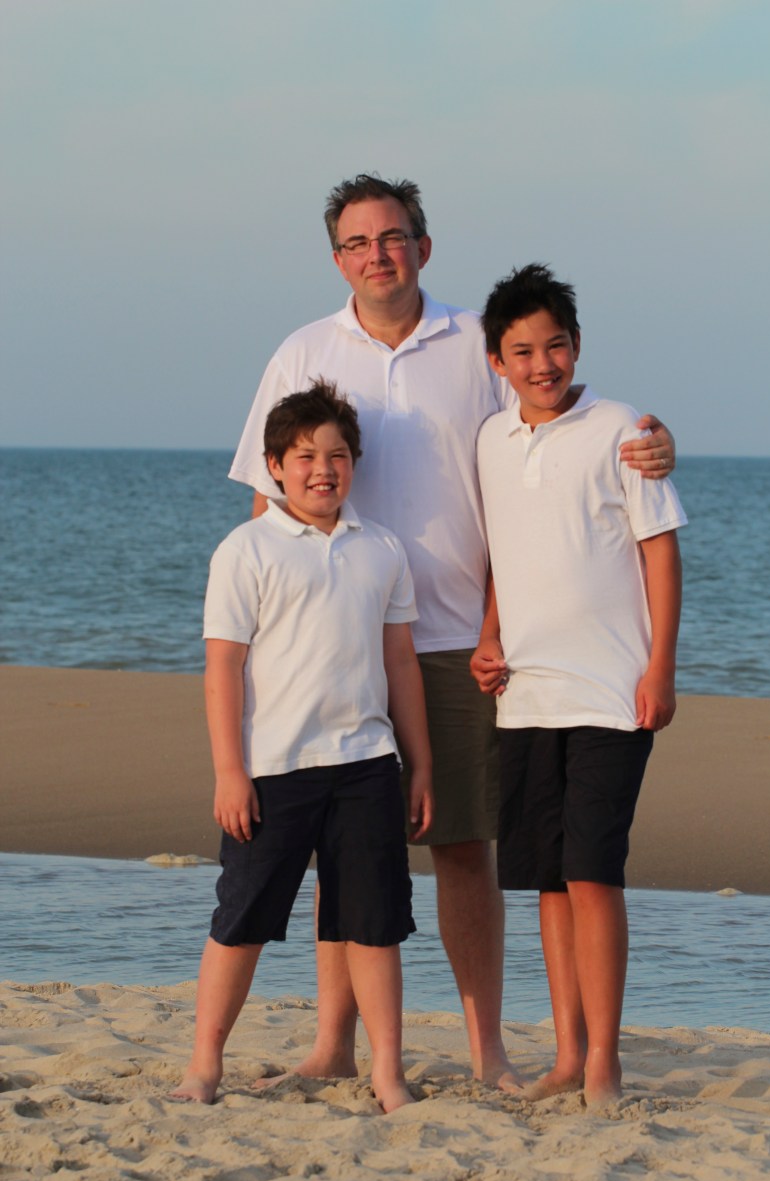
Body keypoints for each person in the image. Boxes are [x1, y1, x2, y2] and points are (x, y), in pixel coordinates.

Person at [229, 174, 677, 1092]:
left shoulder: (475, 344)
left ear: (422, 247)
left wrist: (650, 442)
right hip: (338, 642)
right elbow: (267, 498)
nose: (378, 255)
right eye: (358, 243)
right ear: (337, 260)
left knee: (466, 845)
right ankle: (333, 1046)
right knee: (343, 851)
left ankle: (488, 1052)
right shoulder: (303, 351)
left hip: (458, 639)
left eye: (393, 237)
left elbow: (550, 425)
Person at [173, 381, 433, 1111]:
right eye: (305, 456)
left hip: (367, 767)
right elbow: (223, 667)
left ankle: (387, 1073)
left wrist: (420, 766)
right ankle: (204, 1067)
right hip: (273, 770)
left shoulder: (381, 548)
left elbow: (401, 663)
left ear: (355, 463)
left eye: (338, 455)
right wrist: (230, 771)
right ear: (275, 467)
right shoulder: (246, 549)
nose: (324, 469)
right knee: (242, 919)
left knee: (375, 926)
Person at [471, 263, 686, 1106]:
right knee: (548, 883)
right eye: (523, 352)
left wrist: (660, 667)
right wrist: (489, 636)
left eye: (555, 346)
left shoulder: (621, 429)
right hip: (525, 695)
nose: (542, 364)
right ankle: (566, 1055)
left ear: (578, 345)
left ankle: (604, 1063)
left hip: (611, 692)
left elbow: (659, 551)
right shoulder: (491, 441)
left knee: (594, 873)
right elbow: (503, 553)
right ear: (497, 362)